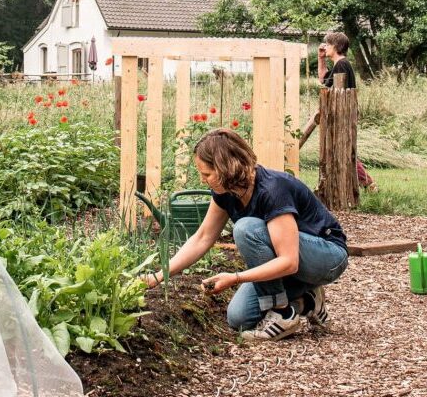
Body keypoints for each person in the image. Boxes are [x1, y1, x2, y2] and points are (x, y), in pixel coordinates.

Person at [142, 129, 348, 342]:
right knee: (238, 317)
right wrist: (159, 276)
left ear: (225, 168)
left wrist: (235, 278)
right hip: (293, 262)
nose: (203, 181)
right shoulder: (226, 193)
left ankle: (283, 313)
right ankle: (307, 300)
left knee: (245, 228)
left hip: (327, 257)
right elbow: (202, 238)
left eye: (207, 174)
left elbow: (289, 262)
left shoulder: (272, 189)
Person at [317, 31, 376, 193]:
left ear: (336, 46)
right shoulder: (339, 65)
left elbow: (337, 92)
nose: (325, 47)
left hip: (343, 116)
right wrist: (321, 59)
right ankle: (364, 184)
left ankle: (368, 184)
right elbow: (323, 80)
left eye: (328, 44)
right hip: (341, 116)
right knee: (344, 152)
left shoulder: (342, 65)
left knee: (346, 153)